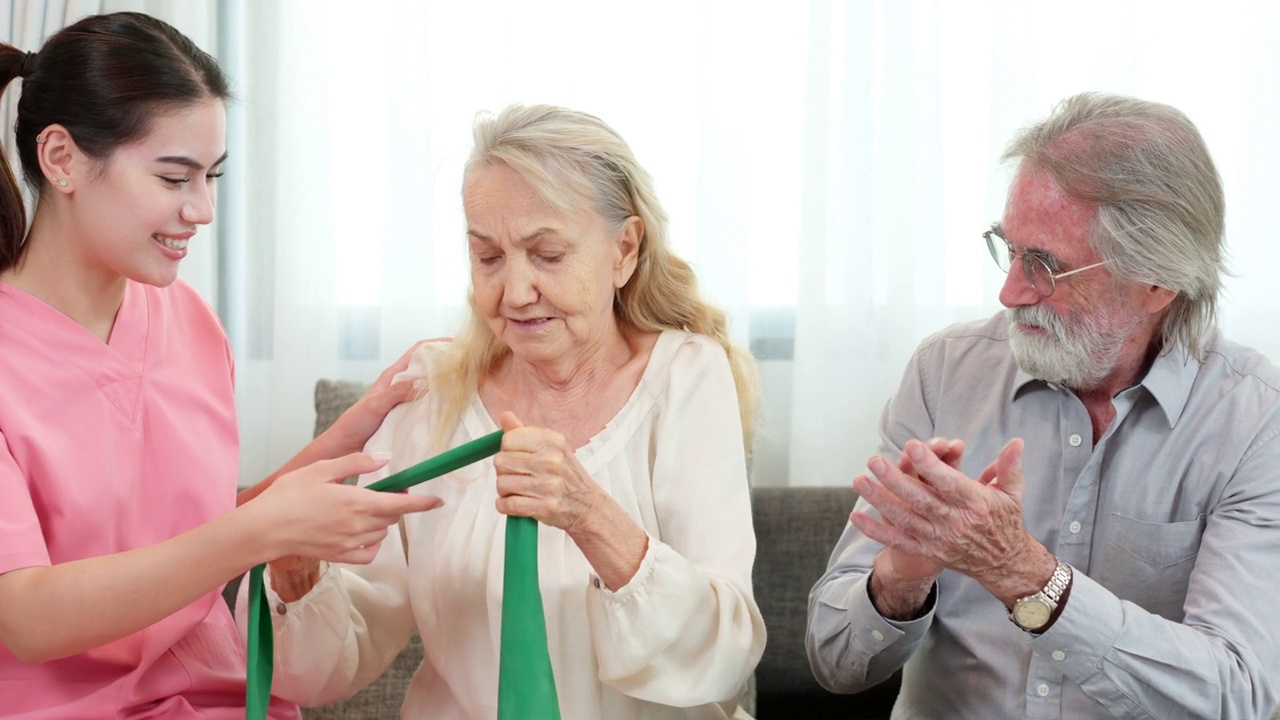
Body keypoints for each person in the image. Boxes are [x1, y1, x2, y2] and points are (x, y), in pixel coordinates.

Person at [248, 104, 766, 719]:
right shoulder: (429, 395)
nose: (514, 293)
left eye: (547, 254)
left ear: (623, 250)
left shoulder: (686, 378)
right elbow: (332, 664)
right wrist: (295, 573)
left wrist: (590, 513)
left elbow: (723, 656)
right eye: (488, 256)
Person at [0, 13, 439, 718]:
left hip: (218, 697)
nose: (201, 209)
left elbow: (179, 544)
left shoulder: (192, 326)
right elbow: (25, 616)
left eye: (212, 177)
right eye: (175, 177)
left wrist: (333, 449)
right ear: (62, 159)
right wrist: (263, 530)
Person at [806, 92, 1280, 718]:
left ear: (1158, 282)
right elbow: (834, 661)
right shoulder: (945, 372)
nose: (1008, 291)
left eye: (1044, 266)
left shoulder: (1253, 423)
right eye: (1009, 249)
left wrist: (1027, 575)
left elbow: (1236, 695)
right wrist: (901, 579)